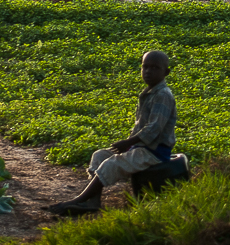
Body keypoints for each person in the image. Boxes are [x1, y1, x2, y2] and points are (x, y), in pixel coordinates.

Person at [45, 50, 177, 215]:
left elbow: (154, 128)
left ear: (166, 72)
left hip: (154, 152)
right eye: (145, 67)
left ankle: (78, 200)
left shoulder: (163, 95)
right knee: (99, 156)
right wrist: (130, 145)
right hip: (141, 148)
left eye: (155, 68)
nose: (148, 71)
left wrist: (128, 143)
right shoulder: (149, 93)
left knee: (112, 163)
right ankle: (93, 202)